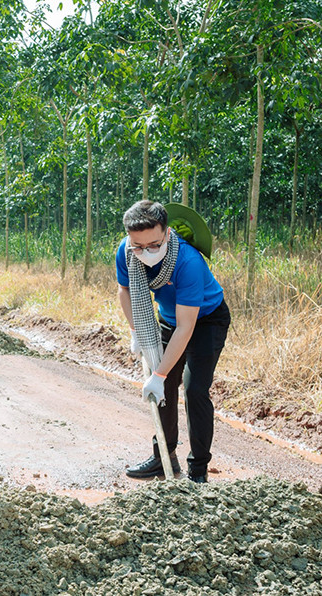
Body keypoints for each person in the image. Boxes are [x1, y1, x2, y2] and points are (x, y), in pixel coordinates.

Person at [116, 200, 230, 484]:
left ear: (166, 233)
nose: (146, 253)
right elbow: (124, 290)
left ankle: (198, 471)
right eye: (139, 247)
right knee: (164, 388)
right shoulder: (126, 252)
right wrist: (136, 331)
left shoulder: (188, 261)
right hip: (168, 319)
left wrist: (159, 373)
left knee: (195, 389)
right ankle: (162, 458)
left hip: (206, 320)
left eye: (154, 245)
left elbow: (187, 326)